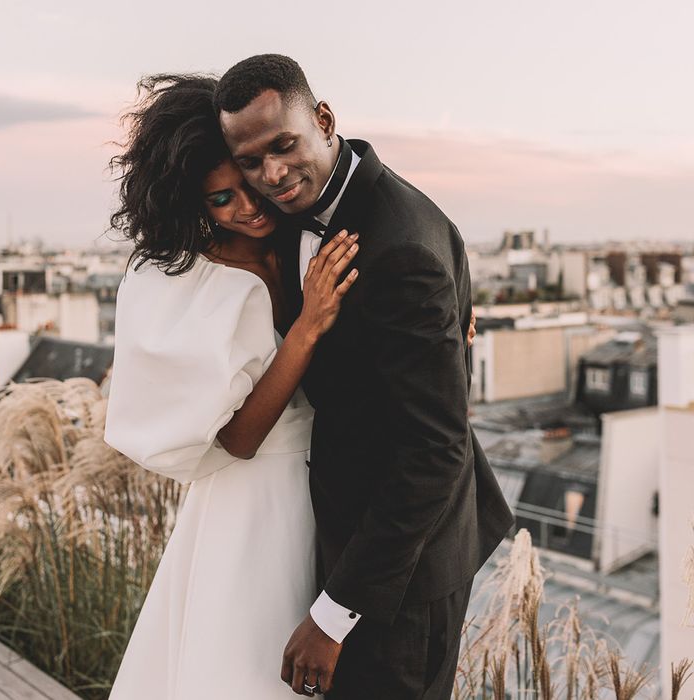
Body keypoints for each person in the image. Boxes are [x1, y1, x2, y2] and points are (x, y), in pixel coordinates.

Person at [214, 54, 515, 700]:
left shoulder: (400, 242)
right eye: (249, 160)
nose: (271, 174)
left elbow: (435, 451)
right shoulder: (295, 208)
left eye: (284, 145)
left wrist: (333, 614)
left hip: (405, 575)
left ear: (324, 120)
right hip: (350, 536)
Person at [103, 74, 360, 698]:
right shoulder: (204, 280)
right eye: (221, 201)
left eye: (249, 185)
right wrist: (305, 330)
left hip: (323, 488)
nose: (247, 208)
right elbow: (241, 440)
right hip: (255, 504)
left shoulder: (302, 239)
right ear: (195, 205)